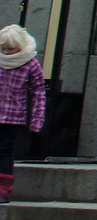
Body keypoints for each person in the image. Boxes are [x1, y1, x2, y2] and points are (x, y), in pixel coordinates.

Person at [0, 26, 45, 204]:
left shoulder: (30, 63)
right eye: (3, 49)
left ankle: (3, 189)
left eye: (10, 49)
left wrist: (37, 119)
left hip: (12, 116)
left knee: (5, 151)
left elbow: (39, 92)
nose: (6, 52)